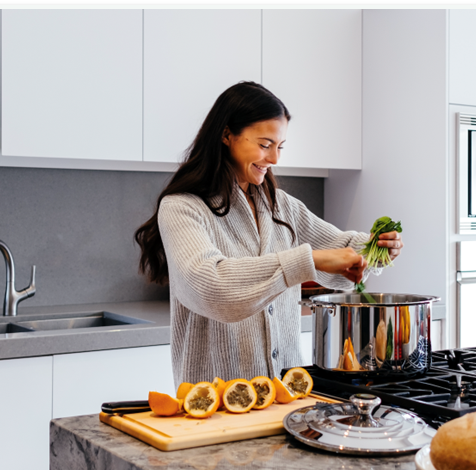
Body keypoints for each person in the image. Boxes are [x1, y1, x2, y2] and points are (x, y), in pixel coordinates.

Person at [135, 81, 403, 387]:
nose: (275, 159)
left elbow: (340, 248)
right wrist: (307, 261)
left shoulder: (281, 206)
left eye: (280, 146)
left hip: (287, 394)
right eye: (265, 145)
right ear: (226, 135)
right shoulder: (183, 208)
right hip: (215, 401)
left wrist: (375, 249)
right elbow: (211, 286)